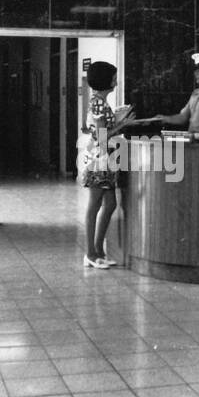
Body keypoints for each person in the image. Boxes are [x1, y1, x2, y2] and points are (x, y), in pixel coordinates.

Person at [79, 61, 135, 269]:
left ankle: (98, 251)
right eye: (113, 77)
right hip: (100, 158)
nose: (116, 80)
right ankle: (91, 253)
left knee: (110, 204)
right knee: (95, 204)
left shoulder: (100, 102)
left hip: (106, 158)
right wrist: (123, 124)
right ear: (106, 79)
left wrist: (118, 120)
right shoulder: (98, 103)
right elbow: (102, 137)